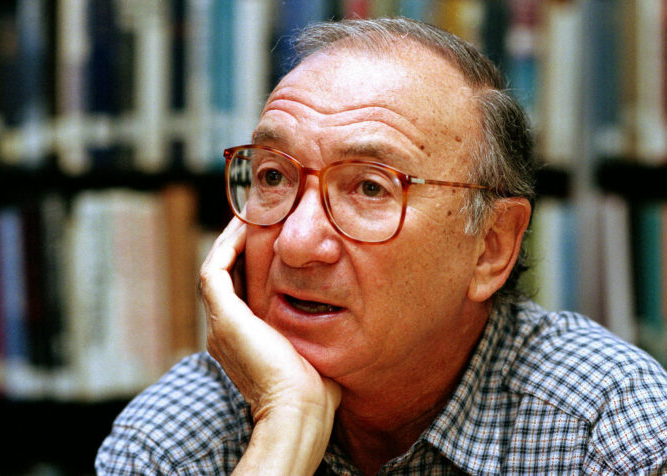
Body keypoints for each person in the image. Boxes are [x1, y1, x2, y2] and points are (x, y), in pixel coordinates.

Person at [96, 17, 667, 475]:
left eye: (370, 188)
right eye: (273, 177)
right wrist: (285, 429)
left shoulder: (615, 434)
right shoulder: (172, 437)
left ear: (491, 248)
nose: (296, 244)